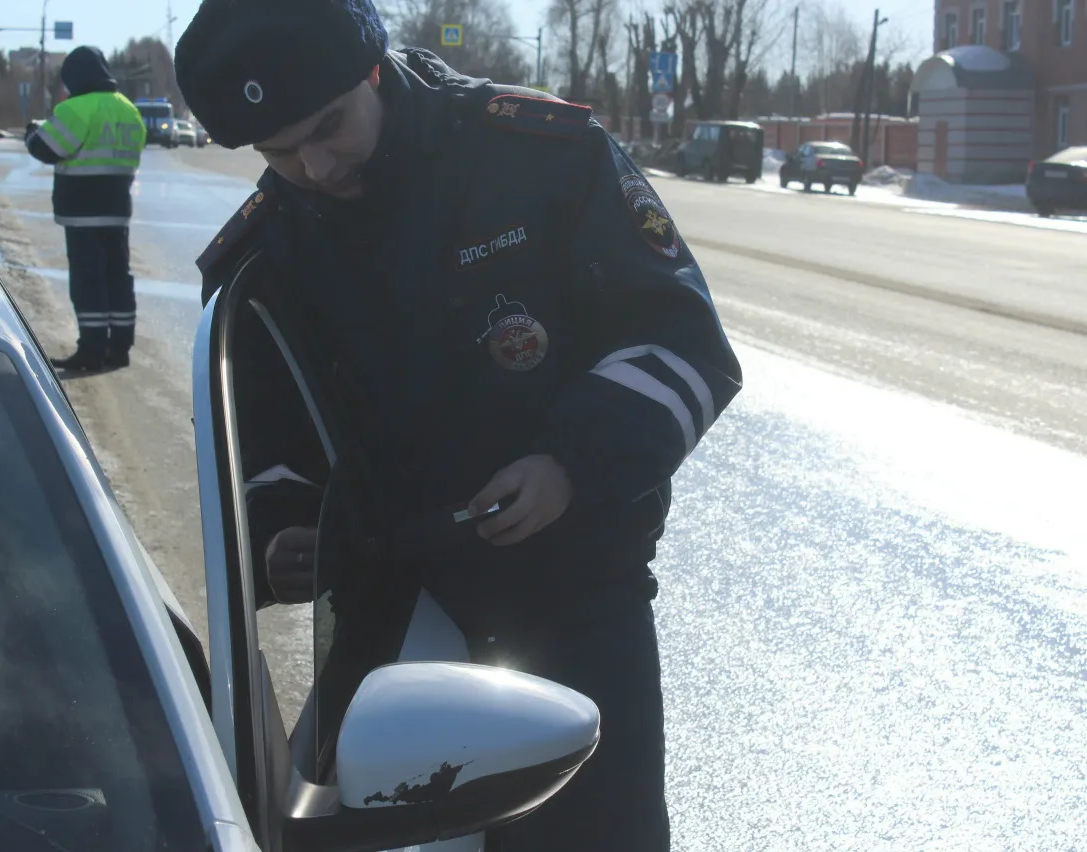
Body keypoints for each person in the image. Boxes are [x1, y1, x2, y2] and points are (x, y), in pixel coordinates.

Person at [174, 0, 743, 848]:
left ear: (372, 69)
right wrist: (287, 528)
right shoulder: (271, 245)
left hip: (574, 602)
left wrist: (567, 464)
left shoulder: (540, 156)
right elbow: (269, 431)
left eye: (330, 127)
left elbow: (681, 342)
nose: (317, 165)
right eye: (280, 151)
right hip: (390, 622)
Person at [25, 46, 145, 371]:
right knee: (118, 276)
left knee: (88, 280)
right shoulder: (129, 110)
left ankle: (91, 350)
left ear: (76, 77)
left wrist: (32, 133)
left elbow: (46, 148)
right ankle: (119, 348)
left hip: (82, 211)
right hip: (117, 209)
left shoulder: (76, 109)